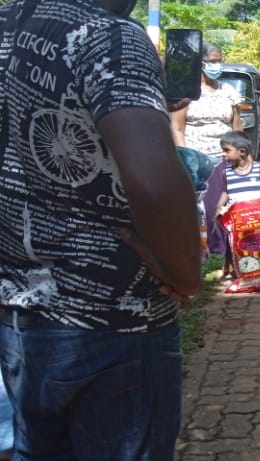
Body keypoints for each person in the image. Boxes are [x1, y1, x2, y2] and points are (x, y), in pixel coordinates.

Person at [0, 0, 202, 458]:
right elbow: (153, 183)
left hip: (20, 324)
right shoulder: (108, 35)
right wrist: (187, 274)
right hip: (113, 323)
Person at [170, 42, 242, 159]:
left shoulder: (229, 91)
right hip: (195, 159)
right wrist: (186, 158)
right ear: (200, 64)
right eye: (213, 62)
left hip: (225, 159)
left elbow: (237, 128)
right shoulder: (187, 91)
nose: (217, 65)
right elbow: (177, 128)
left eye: (220, 61)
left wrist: (241, 157)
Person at [216, 131, 260, 278]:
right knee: (237, 242)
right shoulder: (226, 172)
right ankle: (239, 269)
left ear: (241, 152)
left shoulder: (257, 168)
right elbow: (225, 191)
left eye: (227, 150)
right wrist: (218, 207)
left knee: (259, 241)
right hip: (237, 218)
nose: (223, 154)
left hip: (257, 217)